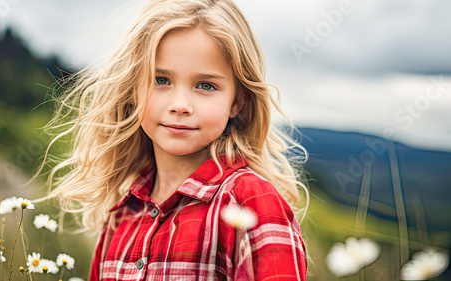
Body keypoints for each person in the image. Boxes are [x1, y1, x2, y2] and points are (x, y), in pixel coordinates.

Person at [39, 0, 308, 279]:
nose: (180, 105)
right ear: (132, 89)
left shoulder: (251, 204)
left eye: (206, 85)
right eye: (161, 80)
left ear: (237, 101)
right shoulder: (122, 216)